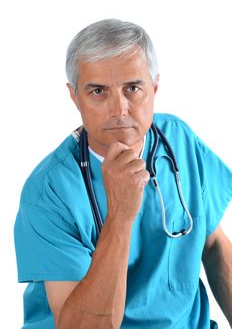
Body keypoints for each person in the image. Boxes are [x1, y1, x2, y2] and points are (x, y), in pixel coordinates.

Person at [14, 18, 232, 329]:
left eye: (132, 88)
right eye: (98, 91)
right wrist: (119, 215)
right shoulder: (48, 193)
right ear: (74, 96)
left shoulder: (179, 140)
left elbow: (214, 246)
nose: (119, 110)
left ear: (154, 87)